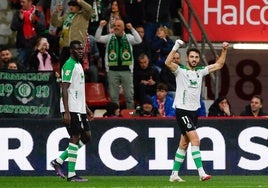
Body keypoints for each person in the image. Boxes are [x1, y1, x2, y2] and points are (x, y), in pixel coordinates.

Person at [165, 39, 229, 182]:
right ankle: (201, 173)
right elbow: (167, 62)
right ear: (187, 58)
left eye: (196, 57)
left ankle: (174, 174)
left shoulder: (201, 71)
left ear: (198, 59)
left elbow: (219, 64)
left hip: (193, 112)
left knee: (184, 143)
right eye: (191, 57)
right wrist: (176, 46)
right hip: (182, 110)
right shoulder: (180, 70)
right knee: (195, 140)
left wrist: (224, 50)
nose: (194, 59)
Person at [50, 40, 94, 182]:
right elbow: (64, 87)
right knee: (75, 137)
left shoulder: (78, 65)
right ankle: (71, 174)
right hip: (72, 108)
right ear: (71, 51)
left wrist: (86, 108)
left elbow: (78, 89)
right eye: (77, 49)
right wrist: (67, 112)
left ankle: (58, 161)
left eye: (81, 49)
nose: (80, 51)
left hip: (80, 108)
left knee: (86, 136)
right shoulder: (69, 64)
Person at [94, 19, 142, 109]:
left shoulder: (128, 37)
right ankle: (115, 115)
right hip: (112, 71)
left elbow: (138, 40)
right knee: (113, 97)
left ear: (123, 28)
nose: (116, 27)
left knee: (129, 96)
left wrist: (132, 29)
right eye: (115, 26)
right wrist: (100, 27)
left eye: (118, 26)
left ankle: (130, 116)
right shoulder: (109, 37)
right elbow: (97, 38)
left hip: (126, 71)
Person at [50, 0, 92, 68]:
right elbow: (55, 23)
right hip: (65, 46)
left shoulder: (84, 15)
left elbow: (90, 9)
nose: (71, 7)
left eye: (74, 5)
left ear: (79, 6)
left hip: (77, 47)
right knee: (63, 69)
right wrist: (56, 12)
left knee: (76, 70)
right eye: (70, 5)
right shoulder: (67, 16)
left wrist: (80, 1)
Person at [10, 0, 46, 70]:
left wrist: (35, 22)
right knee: (21, 67)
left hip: (35, 46)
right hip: (22, 46)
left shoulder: (38, 13)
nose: (21, 4)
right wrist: (21, 20)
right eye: (20, 2)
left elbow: (43, 28)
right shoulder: (18, 13)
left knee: (35, 67)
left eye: (23, 2)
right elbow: (13, 27)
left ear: (30, 2)